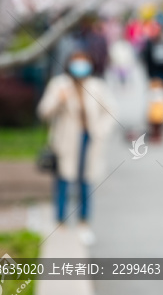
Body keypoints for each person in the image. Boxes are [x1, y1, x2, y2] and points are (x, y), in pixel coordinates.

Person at [37, 50, 117, 246]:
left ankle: (83, 223)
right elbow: (43, 112)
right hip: (66, 141)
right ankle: (60, 221)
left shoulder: (97, 86)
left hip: (89, 139)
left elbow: (111, 112)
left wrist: (100, 131)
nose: (80, 67)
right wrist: (59, 100)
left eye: (84, 62)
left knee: (85, 183)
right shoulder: (59, 85)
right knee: (63, 181)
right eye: (76, 62)